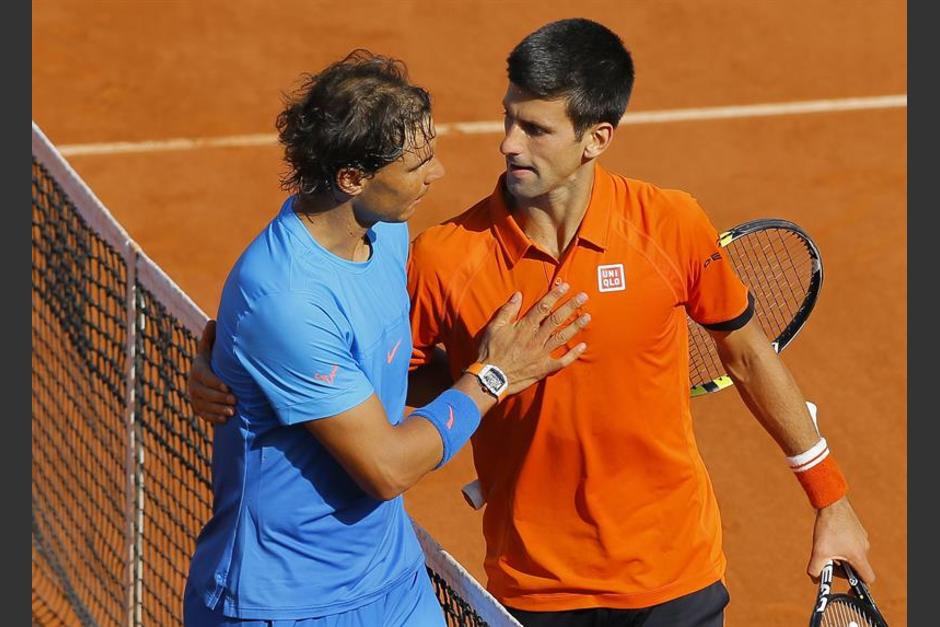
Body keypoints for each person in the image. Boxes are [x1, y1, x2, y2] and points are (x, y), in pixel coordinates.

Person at [190, 20, 874, 626]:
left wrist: (831, 499)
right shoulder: (443, 256)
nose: (507, 144)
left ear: (595, 139)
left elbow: (748, 354)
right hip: (533, 591)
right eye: (509, 118)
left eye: (536, 128)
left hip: (675, 576)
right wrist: (229, 367)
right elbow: (359, 361)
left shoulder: (669, 224)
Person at [182, 49, 590, 627]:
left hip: (392, 580)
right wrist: (493, 376)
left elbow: (385, 373)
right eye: (417, 162)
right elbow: (387, 468)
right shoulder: (285, 298)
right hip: (287, 604)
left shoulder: (387, 235)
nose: (437, 174)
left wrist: (504, 365)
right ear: (353, 179)